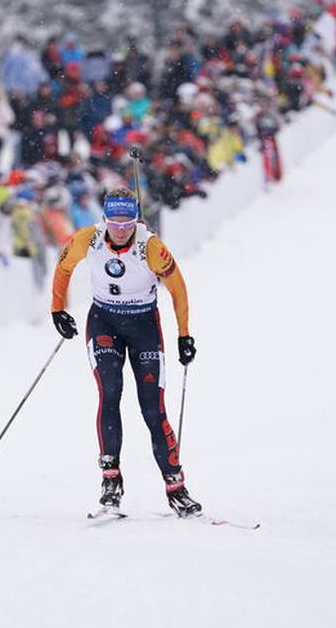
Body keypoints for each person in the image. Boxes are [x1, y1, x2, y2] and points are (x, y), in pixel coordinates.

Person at [49, 188, 200, 516]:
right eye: (114, 222)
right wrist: (57, 310)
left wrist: (184, 335)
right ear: (104, 220)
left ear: (136, 220)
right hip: (104, 323)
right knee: (110, 392)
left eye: (127, 222)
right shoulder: (88, 240)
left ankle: (176, 487)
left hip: (144, 326)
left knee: (152, 409)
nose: (120, 229)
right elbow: (63, 267)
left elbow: (178, 288)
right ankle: (111, 480)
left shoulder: (151, 247)